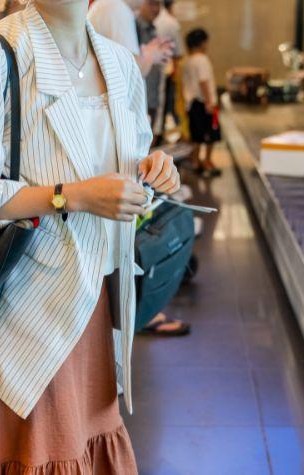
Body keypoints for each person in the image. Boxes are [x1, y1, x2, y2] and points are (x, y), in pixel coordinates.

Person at [0, 1, 181, 472]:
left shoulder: (119, 62)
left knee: (85, 443)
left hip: (94, 303)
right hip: (21, 310)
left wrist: (155, 173)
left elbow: (127, 170)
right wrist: (70, 197)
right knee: (37, 453)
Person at [91, 0, 190, 337]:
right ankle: (137, 309)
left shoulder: (116, 12)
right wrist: (147, 58)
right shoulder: (113, 9)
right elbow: (123, 77)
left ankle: (135, 307)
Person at [88, 0, 172, 77]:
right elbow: (130, 71)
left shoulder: (114, 6)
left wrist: (147, 53)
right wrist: (150, 55)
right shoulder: (116, 8)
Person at [183, 28, 221, 177]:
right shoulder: (202, 59)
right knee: (210, 134)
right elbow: (203, 81)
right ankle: (207, 161)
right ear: (202, 43)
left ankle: (196, 162)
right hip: (203, 102)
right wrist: (209, 102)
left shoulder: (189, 61)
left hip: (192, 103)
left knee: (196, 135)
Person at [136, 0, 167, 143]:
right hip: (140, 96)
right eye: (152, 4)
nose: (156, 9)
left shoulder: (152, 28)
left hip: (152, 95)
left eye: (158, 5)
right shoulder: (133, 26)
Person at [154, 0, 183, 136]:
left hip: (149, 70)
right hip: (163, 72)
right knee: (162, 108)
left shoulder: (137, 17)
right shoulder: (171, 22)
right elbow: (178, 54)